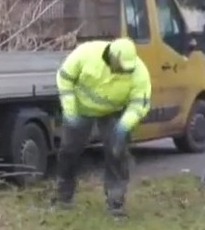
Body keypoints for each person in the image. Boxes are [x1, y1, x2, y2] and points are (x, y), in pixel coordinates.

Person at [54, 37, 152, 217]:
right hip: (80, 108)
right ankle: (63, 196)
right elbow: (64, 77)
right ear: (112, 57)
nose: (124, 71)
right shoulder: (86, 54)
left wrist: (123, 126)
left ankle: (116, 202)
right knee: (69, 151)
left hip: (113, 112)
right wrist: (70, 110)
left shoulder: (139, 72)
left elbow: (139, 104)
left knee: (117, 152)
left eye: (127, 69)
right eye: (121, 67)